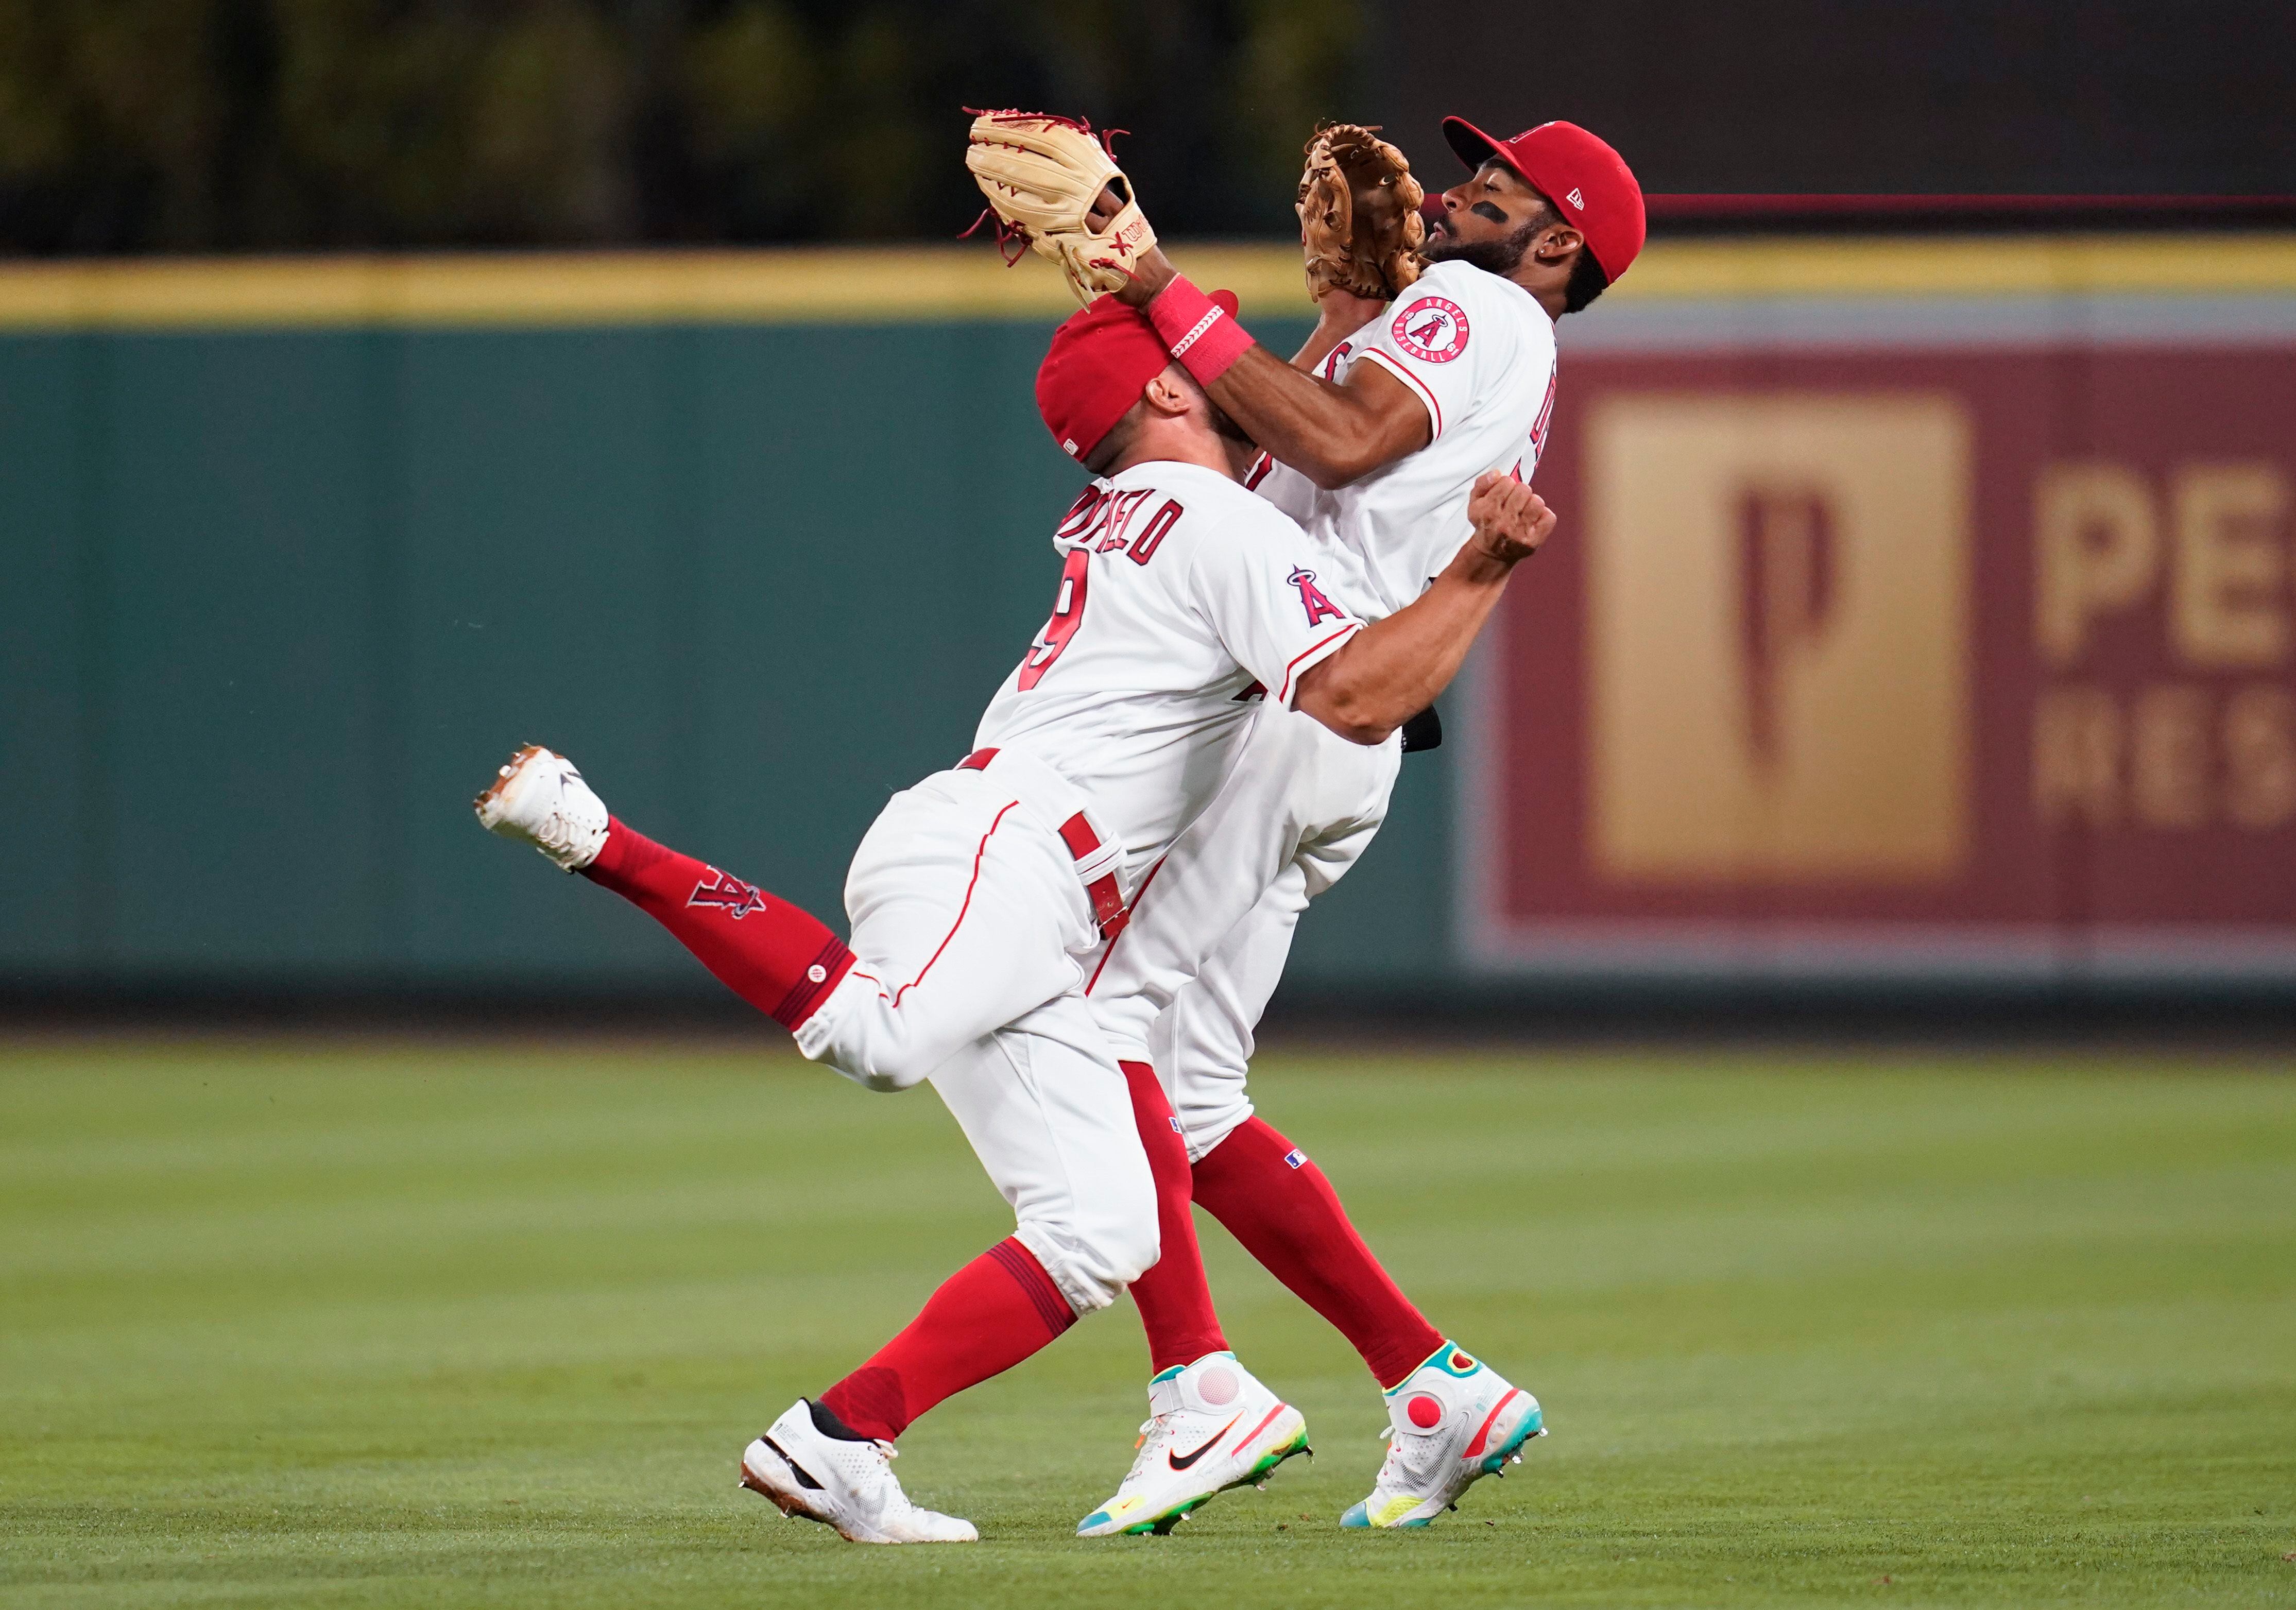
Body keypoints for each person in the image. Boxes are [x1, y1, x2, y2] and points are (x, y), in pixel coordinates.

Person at [471, 291, 1558, 1544]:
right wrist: (1476, 562)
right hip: (1008, 852)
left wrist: (1343, 314)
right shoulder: (1208, 513)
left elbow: (1296, 451)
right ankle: (598, 838)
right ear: (1161, 394)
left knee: (1099, 1231)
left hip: (1041, 898)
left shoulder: (1164, 506)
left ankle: (839, 1439)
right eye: (1202, 358)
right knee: (878, 1040)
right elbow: (1359, 696)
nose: (1230, 366)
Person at [1053, 116, 1647, 1535]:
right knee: (1189, 1097)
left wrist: (1156, 281)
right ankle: (1431, 1381)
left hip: (1306, 698)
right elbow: (1313, 441)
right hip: (1333, 731)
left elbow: (1342, 437)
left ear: (1556, 245)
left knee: (1099, 1023)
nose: (1452, 195)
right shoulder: (1446, 311)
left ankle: (1198, 1391)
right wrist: (1336, 318)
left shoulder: (1485, 301)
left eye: (1491, 190)